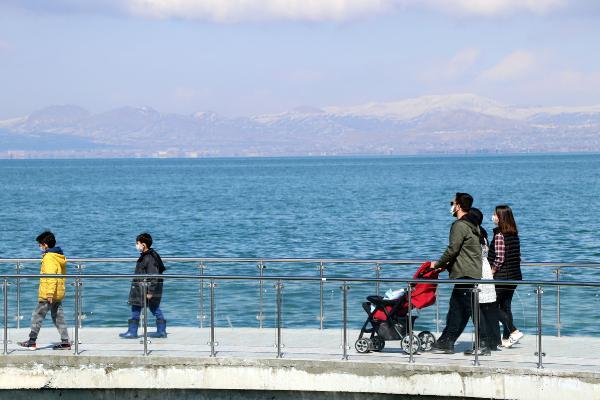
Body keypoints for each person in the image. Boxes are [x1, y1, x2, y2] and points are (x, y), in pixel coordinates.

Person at [430, 193, 482, 354]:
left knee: (469, 310)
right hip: (470, 271)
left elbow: (453, 249)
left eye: (452, 203)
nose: (451, 206)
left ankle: (485, 342)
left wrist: (437, 264)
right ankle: (446, 341)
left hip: (465, 273)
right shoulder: (473, 224)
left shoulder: (459, 225)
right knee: (459, 309)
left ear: (458, 205)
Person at [18, 231, 71, 350]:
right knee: (58, 317)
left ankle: (31, 342)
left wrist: (49, 294)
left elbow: (52, 276)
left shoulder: (49, 258)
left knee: (37, 315)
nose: (39, 247)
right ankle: (65, 342)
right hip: (58, 292)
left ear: (45, 245)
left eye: (40, 245)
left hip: (49, 293)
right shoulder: (58, 256)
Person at [463, 208, 501, 355]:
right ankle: (489, 342)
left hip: (477, 271)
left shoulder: (473, 234)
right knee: (484, 309)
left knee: (476, 309)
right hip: (485, 270)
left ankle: (482, 343)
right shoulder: (483, 232)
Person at [119, 233, 168, 339]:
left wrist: (150, 291)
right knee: (149, 307)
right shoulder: (146, 256)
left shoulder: (149, 257)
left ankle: (133, 332)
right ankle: (161, 330)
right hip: (141, 288)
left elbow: (154, 276)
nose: (136, 246)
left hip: (145, 289)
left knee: (145, 307)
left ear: (144, 245)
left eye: (137, 243)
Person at [489, 205, 523, 347]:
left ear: (501, 217)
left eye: (495, 214)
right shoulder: (513, 233)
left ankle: (514, 331)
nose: (493, 217)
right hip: (514, 276)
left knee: (490, 307)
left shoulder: (499, 235)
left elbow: (500, 258)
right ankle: (506, 338)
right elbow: (517, 256)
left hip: (502, 277)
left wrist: (492, 271)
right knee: (506, 306)